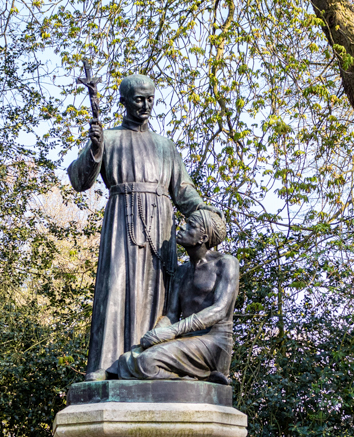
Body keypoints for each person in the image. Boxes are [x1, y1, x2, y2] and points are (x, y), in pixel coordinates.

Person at [68, 74, 221, 381]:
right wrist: (94, 148)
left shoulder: (165, 146)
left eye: (150, 99)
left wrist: (207, 216)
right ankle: (108, 367)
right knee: (117, 289)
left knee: (159, 296)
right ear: (123, 101)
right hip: (123, 226)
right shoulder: (109, 139)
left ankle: (151, 364)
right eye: (139, 99)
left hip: (160, 231)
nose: (146, 105)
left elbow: (184, 192)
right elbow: (78, 179)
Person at [111, 208, 238, 383]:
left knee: (146, 362)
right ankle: (188, 378)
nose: (182, 228)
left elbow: (219, 310)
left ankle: (198, 378)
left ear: (203, 238)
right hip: (185, 340)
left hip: (214, 342)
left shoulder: (226, 263)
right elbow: (171, 315)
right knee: (127, 359)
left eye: (190, 226)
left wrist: (172, 331)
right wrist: (155, 335)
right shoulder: (182, 271)